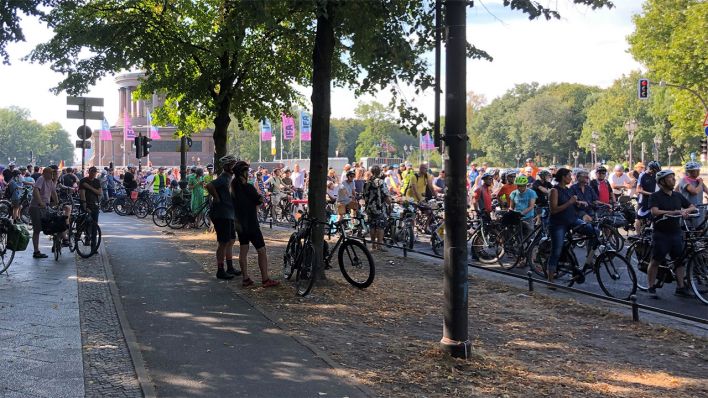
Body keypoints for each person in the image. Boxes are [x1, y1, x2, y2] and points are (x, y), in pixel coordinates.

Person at [230, 161, 279, 288]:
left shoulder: (233, 187)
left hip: (240, 224)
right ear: (244, 173)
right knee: (261, 250)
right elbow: (259, 200)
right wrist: (260, 199)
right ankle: (265, 279)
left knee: (243, 250)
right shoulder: (248, 187)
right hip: (251, 223)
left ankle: (245, 278)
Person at [647, 169, 695, 297]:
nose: (673, 180)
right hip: (661, 233)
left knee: (679, 261)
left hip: (676, 232)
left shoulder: (677, 195)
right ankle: (651, 287)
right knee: (656, 260)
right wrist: (676, 212)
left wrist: (686, 211)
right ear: (662, 182)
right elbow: (655, 212)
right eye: (670, 178)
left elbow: (692, 206)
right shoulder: (655, 196)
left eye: (674, 177)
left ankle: (680, 287)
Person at [547, 168, 598, 286]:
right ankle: (550, 279)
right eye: (569, 176)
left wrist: (578, 202)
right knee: (556, 250)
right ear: (563, 177)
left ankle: (589, 260)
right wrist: (570, 202)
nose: (571, 178)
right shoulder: (554, 190)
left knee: (595, 231)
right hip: (558, 224)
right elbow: (553, 210)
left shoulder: (568, 190)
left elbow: (572, 202)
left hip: (572, 220)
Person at [206, 155, 242, 280]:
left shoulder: (230, 178)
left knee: (231, 240)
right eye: (232, 164)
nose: (234, 167)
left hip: (229, 214)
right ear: (226, 166)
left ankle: (230, 267)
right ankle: (220, 270)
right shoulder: (223, 178)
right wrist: (216, 197)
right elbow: (209, 185)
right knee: (223, 243)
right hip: (222, 214)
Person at [29, 167, 60, 258]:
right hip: (36, 207)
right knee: (37, 229)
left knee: (51, 224)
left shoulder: (50, 181)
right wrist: (40, 202)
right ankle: (36, 251)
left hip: (44, 207)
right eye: (51, 174)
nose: (52, 175)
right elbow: (35, 191)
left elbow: (54, 193)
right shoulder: (41, 179)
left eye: (53, 174)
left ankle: (55, 244)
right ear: (45, 173)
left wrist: (57, 203)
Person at [363, 165, 390, 251]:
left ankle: (373, 245)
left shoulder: (367, 182)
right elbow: (386, 196)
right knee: (380, 226)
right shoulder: (381, 182)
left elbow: (365, 195)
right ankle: (379, 245)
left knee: (372, 226)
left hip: (369, 207)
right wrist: (390, 204)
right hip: (379, 207)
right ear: (379, 172)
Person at [677, 161, 708, 228]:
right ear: (689, 171)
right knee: (689, 229)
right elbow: (694, 192)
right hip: (688, 210)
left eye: (698, 170)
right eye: (696, 171)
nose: (698, 172)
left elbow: (706, 190)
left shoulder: (698, 181)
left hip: (699, 209)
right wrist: (700, 183)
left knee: (700, 229)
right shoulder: (684, 180)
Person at [636, 161, 660, 233]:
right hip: (643, 201)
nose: (654, 172)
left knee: (653, 217)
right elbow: (638, 189)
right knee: (639, 219)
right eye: (654, 170)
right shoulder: (642, 175)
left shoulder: (655, 175)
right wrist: (650, 194)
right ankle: (638, 235)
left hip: (652, 200)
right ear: (650, 168)